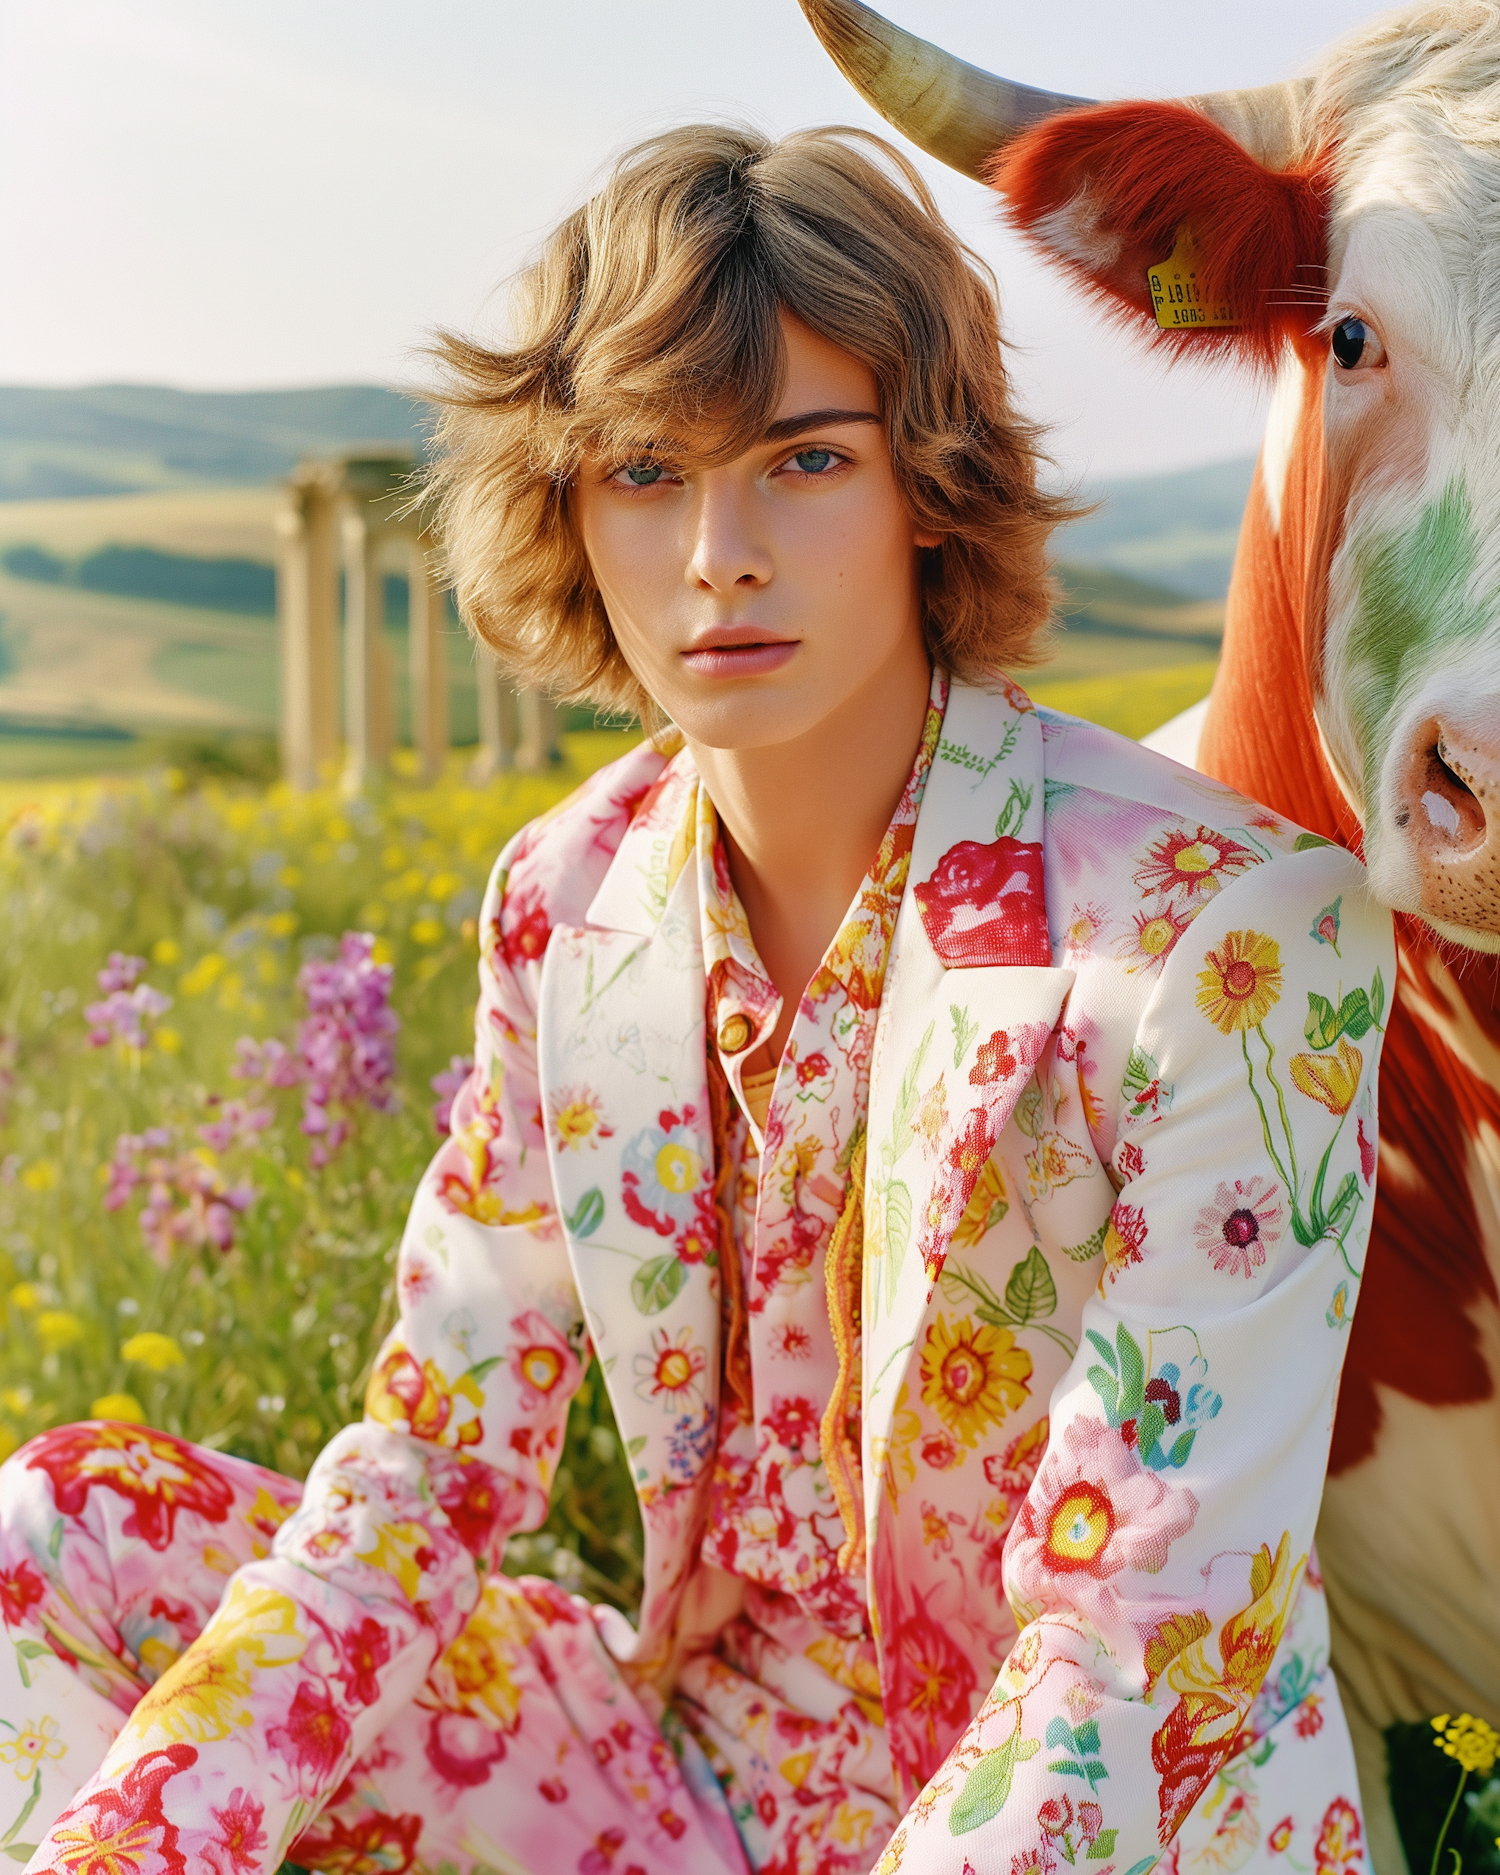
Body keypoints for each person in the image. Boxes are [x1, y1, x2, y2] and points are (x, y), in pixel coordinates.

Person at [0, 125, 1392, 1875]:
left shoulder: (1239, 937)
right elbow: (431, 1473)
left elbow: (1143, 1651)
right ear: (568, 513)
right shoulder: (566, 894)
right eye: (648, 474)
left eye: (804, 460)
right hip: (692, 1796)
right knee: (54, 1521)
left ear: (924, 484)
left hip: (1093, 1821)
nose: (719, 553)